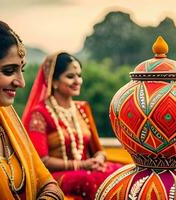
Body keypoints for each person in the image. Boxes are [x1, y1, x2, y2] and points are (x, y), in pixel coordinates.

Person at [0, 19, 64, 200]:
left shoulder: (6, 116)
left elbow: (47, 182)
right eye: (9, 71)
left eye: (21, 70)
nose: (21, 83)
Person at [22, 52, 121, 199]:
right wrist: (81, 165)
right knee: (88, 180)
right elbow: (42, 161)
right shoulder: (39, 114)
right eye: (70, 76)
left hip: (87, 170)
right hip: (54, 176)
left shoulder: (81, 109)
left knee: (123, 173)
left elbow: (99, 151)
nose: (77, 81)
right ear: (53, 81)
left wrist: (98, 160)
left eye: (79, 75)